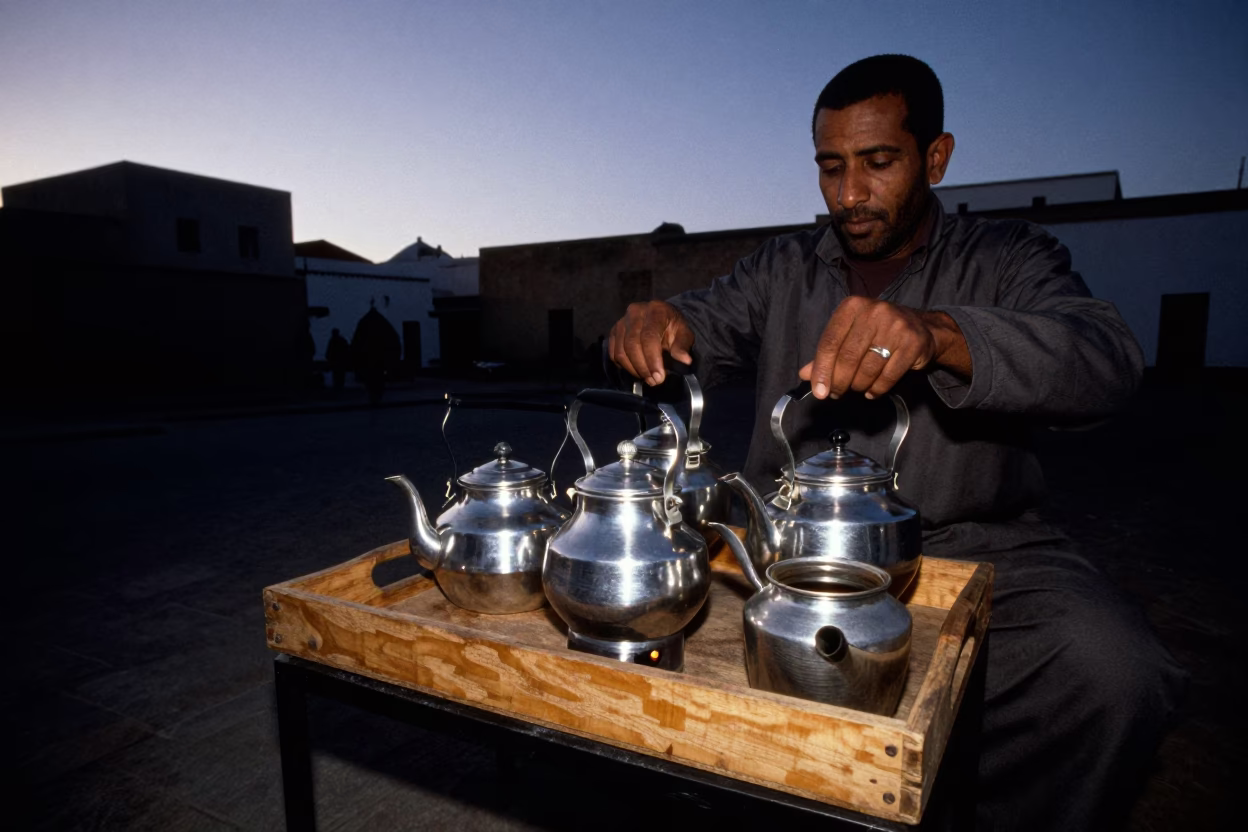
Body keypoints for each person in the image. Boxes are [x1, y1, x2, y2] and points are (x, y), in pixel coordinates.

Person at [608, 55, 1185, 831]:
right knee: (643, 630)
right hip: (786, 546)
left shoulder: (1009, 257)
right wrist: (659, 319)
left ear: (935, 157)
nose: (849, 194)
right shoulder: (784, 266)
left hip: (974, 546)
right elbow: (699, 323)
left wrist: (943, 335)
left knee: (1114, 674)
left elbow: (1105, 358)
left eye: (878, 163)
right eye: (831, 166)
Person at [325, 327, 351, 393]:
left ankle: (338, 388)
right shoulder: (341, 340)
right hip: (340, 362)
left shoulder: (333, 341)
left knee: (337, 376)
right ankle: (340, 388)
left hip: (337, 362)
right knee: (340, 376)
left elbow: (329, 351)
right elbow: (347, 350)